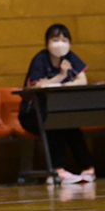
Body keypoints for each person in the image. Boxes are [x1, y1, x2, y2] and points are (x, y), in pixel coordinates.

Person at [19, 24, 95, 184]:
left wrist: (64, 84)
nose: (60, 44)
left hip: (58, 111)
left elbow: (82, 80)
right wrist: (61, 76)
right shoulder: (40, 59)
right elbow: (37, 86)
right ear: (47, 43)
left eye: (64, 40)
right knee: (53, 127)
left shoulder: (70, 57)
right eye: (55, 40)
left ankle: (87, 168)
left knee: (72, 127)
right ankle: (57, 170)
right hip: (32, 114)